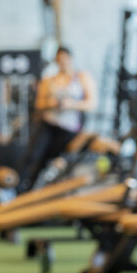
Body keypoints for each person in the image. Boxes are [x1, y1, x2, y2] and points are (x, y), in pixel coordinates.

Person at [17, 46, 97, 193]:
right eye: (59, 60)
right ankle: (22, 190)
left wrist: (71, 104)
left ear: (70, 59)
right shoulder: (49, 80)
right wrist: (51, 103)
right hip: (49, 124)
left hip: (70, 128)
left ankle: (50, 191)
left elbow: (91, 103)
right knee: (34, 157)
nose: (63, 63)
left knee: (57, 162)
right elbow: (39, 104)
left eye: (65, 59)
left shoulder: (82, 77)